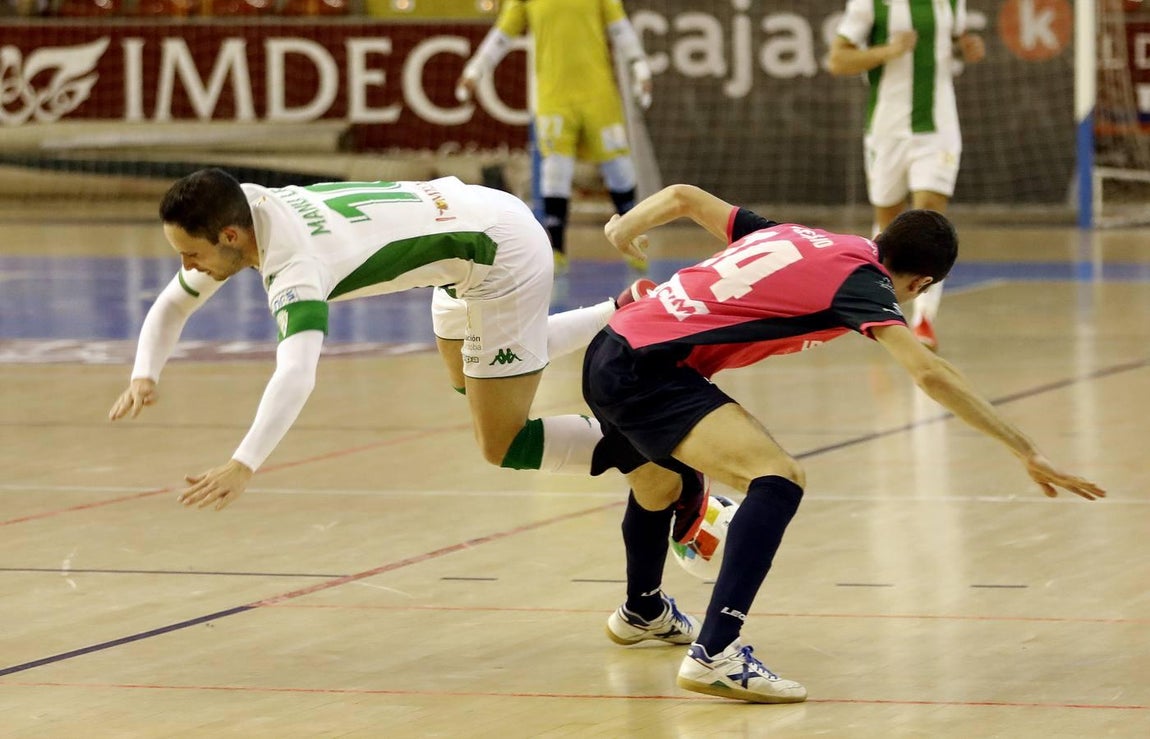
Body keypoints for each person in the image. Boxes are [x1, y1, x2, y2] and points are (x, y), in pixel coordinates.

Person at [582, 184, 1106, 703]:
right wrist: (1024, 448)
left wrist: (623, 226)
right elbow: (930, 374)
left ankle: (641, 611)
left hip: (610, 348)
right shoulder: (865, 283)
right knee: (778, 479)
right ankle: (716, 653)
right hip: (646, 373)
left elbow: (684, 196)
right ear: (921, 283)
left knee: (659, 481)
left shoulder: (804, 237)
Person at [107, 168, 657, 511]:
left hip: (499, 251)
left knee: (501, 442)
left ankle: (652, 444)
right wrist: (144, 373)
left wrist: (244, 462)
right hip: (469, 220)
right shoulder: (248, 204)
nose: (186, 267)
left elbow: (296, 374)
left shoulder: (295, 267)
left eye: (191, 254)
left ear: (230, 236)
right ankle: (619, 311)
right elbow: (173, 303)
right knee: (470, 376)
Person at [827, 0, 985, 351]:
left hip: (938, 127)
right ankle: (884, 309)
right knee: (890, 226)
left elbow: (955, 38)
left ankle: (924, 319)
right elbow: (838, 60)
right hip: (887, 129)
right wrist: (889, 50)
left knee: (930, 214)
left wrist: (966, 47)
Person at [456, 0, 653, 274]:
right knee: (556, 170)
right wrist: (475, 70)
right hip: (554, 97)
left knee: (619, 168)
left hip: (599, 95)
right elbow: (502, 34)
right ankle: (556, 250)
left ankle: (632, 239)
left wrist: (639, 66)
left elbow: (620, 30)